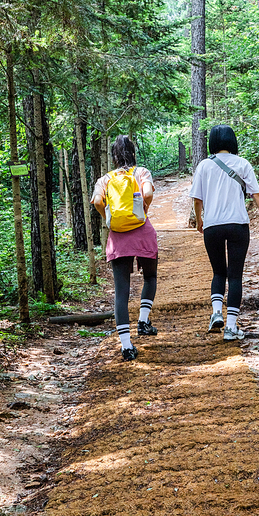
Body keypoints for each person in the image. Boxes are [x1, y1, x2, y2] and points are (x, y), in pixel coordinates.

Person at [189, 124, 259, 341]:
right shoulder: (243, 163)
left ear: (213, 143)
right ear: (232, 141)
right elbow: (256, 194)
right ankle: (231, 327)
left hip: (213, 226)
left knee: (218, 272)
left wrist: (200, 220)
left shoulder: (204, 166)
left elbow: (197, 199)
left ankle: (217, 313)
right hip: (238, 225)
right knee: (235, 276)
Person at [92, 135, 158, 361]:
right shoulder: (141, 173)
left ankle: (126, 346)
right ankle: (143, 321)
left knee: (121, 291)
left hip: (118, 236)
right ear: (133, 152)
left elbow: (98, 202)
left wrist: (107, 219)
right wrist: (144, 210)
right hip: (142, 232)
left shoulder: (106, 179)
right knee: (150, 277)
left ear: (114, 156)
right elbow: (147, 193)